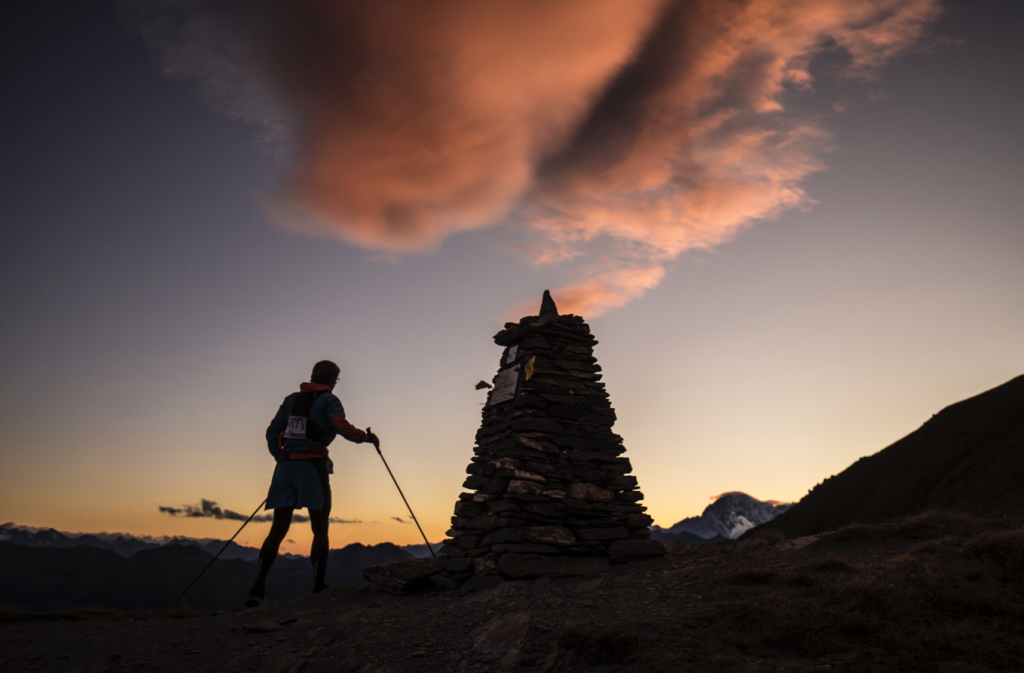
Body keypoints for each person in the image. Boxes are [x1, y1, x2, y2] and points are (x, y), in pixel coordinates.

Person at [246, 360, 379, 607]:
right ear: (332, 380)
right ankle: (318, 586)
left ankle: (257, 588)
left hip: (285, 469)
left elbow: (272, 431)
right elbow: (341, 426)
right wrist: (367, 437)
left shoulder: (291, 400)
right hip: (312, 467)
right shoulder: (329, 400)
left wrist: (282, 455)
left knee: (278, 528)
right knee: (319, 526)